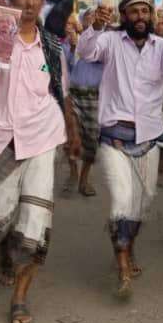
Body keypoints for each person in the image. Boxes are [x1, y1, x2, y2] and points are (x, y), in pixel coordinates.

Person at [0, 0, 81, 323]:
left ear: (42, 1)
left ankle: (20, 298)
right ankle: (1, 255)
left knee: (34, 224)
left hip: (42, 138)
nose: (28, 2)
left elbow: (62, 91)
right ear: (12, 1)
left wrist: (72, 133)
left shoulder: (52, 46)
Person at [77, 0, 163, 298]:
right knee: (121, 201)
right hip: (114, 137)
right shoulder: (111, 41)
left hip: (150, 137)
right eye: (134, 11)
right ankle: (123, 265)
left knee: (142, 203)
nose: (140, 15)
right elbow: (86, 51)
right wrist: (94, 27)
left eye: (145, 11)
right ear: (123, 15)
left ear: (152, 16)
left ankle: (127, 244)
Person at [63, 10, 103, 197]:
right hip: (72, 95)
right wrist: (72, 49)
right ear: (82, 21)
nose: (92, 19)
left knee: (92, 140)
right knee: (70, 137)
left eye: (95, 16)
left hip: (95, 97)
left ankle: (84, 179)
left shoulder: (106, 41)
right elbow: (65, 66)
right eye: (89, 16)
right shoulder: (71, 41)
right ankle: (72, 173)